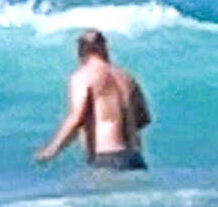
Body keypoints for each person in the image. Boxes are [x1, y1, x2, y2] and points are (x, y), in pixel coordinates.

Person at [35, 28, 153, 173]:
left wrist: (50, 151)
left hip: (107, 159)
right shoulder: (126, 77)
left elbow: (76, 118)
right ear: (104, 48)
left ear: (81, 51)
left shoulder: (82, 77)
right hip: (135, 158)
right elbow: (143, 119)